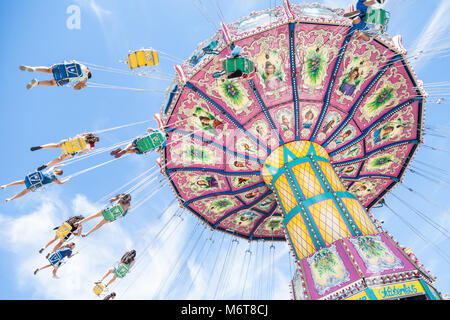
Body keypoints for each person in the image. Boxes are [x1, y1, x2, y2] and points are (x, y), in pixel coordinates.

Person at [31, 133, 100, 171]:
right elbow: (82, 153)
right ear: (94, 141)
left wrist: (89, 134)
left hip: (67, 143)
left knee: (56, 145)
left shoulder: (84, 136)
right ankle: (46, 165)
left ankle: (41, 146)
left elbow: (81, 134)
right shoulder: (90, 146)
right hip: (70, 152)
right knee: (60, 159)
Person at [1, 167, 71, 203]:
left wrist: (59, 165)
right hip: (35, 185)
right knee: (24, 192)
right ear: (58, 175)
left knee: (21, 182)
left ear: (56, 171)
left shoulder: (50, 170)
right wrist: (68, 179)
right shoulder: (54, 179)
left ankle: (6, 185)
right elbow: (60, 183)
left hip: (32, 179)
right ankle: (10, 199)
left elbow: (53, 166)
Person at [20, 61, 91, 90]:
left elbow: (72, 62)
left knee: (48, 70)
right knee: (51, 83)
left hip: (62, 67)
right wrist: (82, 86)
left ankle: (34, 68)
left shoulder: (83, 66)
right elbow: (75, 87)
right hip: (65, 78)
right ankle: (37, 83)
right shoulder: (85, 79)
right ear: (88, 75)